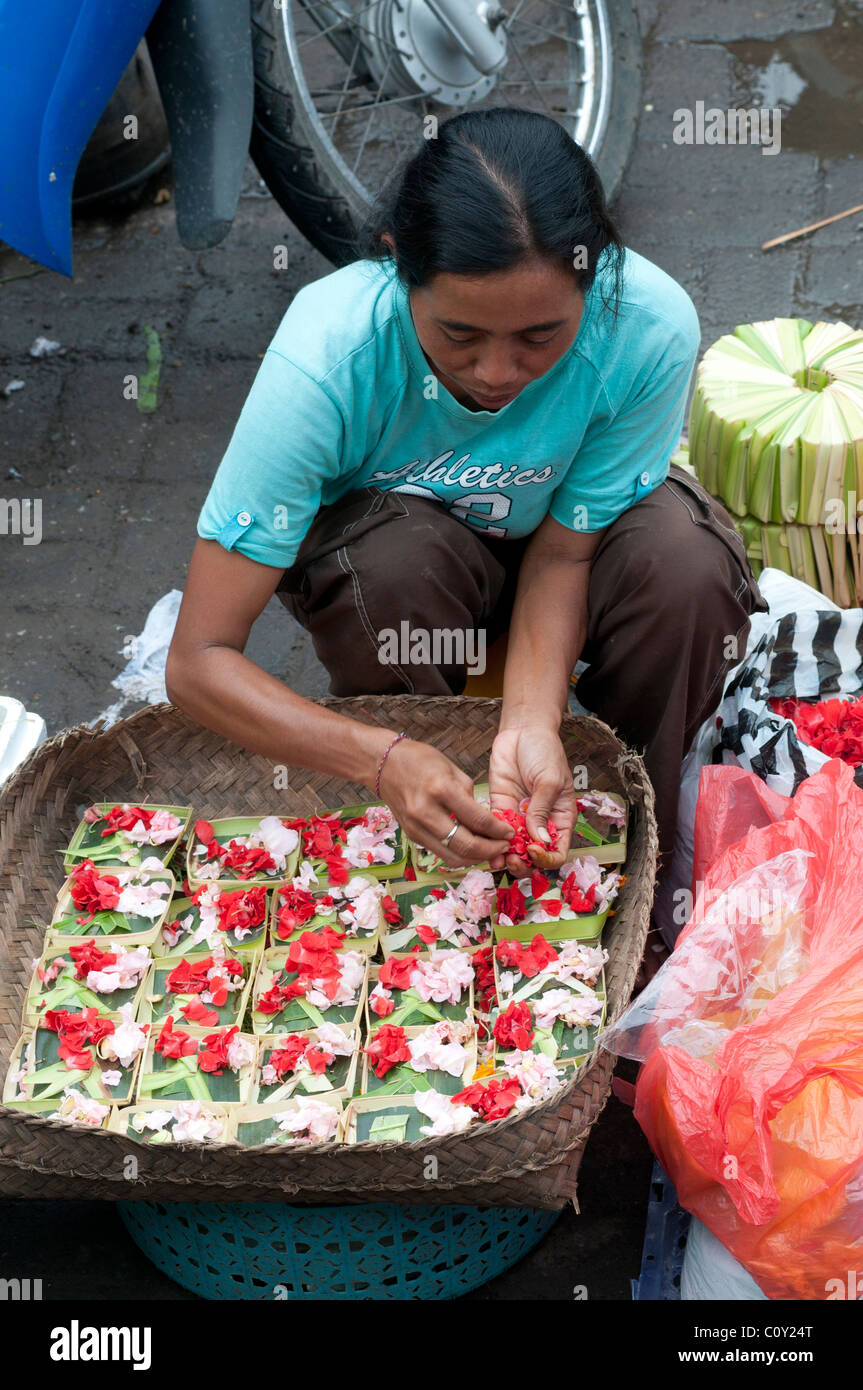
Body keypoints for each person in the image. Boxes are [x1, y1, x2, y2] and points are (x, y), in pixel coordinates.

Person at [166, 106, 767, 890]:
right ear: (396, 265)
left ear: (598, 275)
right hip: (421, 575)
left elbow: (562, 551)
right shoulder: (326, 360)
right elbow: (197, 661)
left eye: (539, 338)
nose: (495, 372)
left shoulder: (645, 327)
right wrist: (381, 758)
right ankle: (432, 826)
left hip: (567, 562)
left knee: (682, 565)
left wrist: (529, 722)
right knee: (396, 569)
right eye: (458, 336)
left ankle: (637, 838)